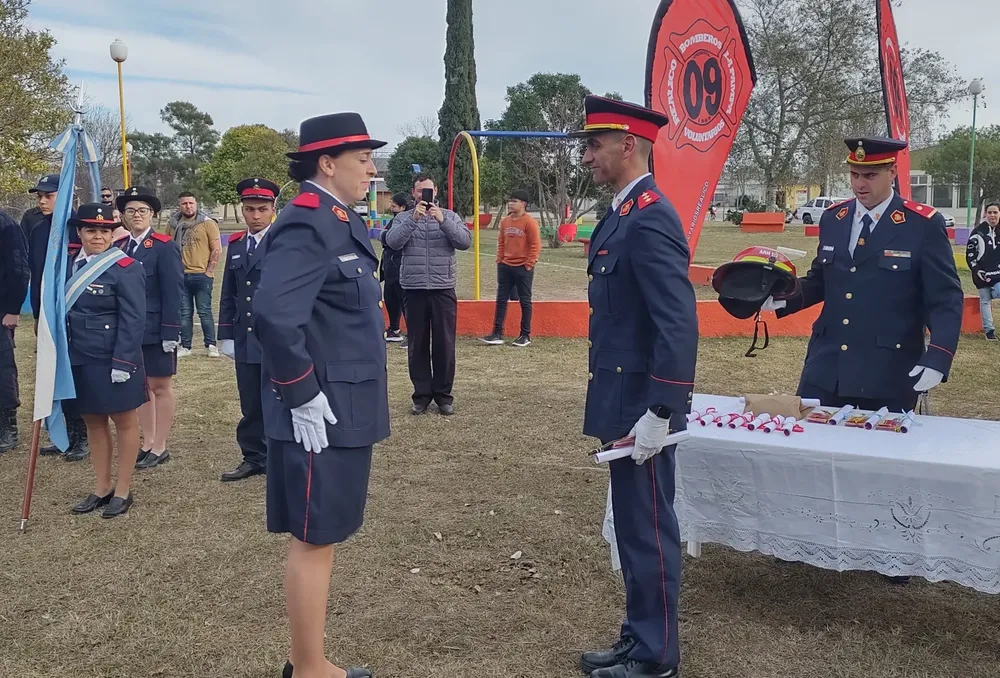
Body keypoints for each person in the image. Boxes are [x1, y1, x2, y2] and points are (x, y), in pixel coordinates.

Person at [254, 112, 389, 678]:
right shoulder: (309, 222)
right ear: (327, 164)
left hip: (341, 402)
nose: (372, 170)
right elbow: (273, 315)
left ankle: (310, 662)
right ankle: (309, 669)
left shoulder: (335, 218)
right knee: (315, 537)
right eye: (364, 159)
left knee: (324, 534)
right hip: (321, 409)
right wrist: (301, 393)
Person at [573, 95, 697, 678]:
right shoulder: (622, 212)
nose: (587, 156)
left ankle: (656, 654)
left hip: (644, 403)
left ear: (629, 145)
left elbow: (677, 321)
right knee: (631, 524)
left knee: (648, 528)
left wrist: (662, 409)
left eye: (595, 144)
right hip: (620, 395)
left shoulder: (651, 215)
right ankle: (639, 633)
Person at [765, 137, 964, 414]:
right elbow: (822, 279)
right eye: (854, 174)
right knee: (813, 437)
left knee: (881, 441)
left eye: (870, 176)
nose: (860, 184)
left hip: (888, 369)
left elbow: (944, 298)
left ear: (892, 172)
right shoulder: (834, 218)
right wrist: (783, 296)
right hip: (827, 365)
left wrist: (939, 356)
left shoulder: (921, 225)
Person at [64, 203, 147, 518]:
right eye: (91, 230)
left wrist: (123, 362)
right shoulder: (68, 265)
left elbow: (133, 320)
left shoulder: (126, 267)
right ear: (80, 232)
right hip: (80, 357)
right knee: (93, 421)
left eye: (104, 230)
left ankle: (123, 490)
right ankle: (101, 487)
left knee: (124, 421)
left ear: (113, 234)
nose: (98, 236)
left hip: (113, 358)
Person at [385, 175, 472, 416]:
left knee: (445, 344)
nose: (425, 195)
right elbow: (392, 242)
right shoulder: (403, 218)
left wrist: (442, 221)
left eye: (429, 190)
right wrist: (413, 220)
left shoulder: (450, 216)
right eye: (420, 190)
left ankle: (444, 396)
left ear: (436, 192)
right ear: (414, 193)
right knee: (417, 344)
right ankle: (421, 395)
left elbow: (465, 242)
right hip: (413, 289)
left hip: (443, 287)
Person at [113, 186, 184, 471]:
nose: (137, 215)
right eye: (131, 211)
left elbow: (173, 292)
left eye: (142, 210)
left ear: (152, 214)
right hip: (130, 330)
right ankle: (148, 441)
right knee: (141, 388)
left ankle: (161, 445)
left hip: (156, 328)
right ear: (123, 216)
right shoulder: (120, 247)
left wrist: (171, 331)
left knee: (160, 387)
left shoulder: (164, 246)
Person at [217, 177, 280, 482]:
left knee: (280, 397)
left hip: (277, 336)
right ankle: (254, 456)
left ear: (273, 209)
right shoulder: (237, 244)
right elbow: (229, 292)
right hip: (245, 336)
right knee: (251, 401)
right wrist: (226, 335)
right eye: (250, 209)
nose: (256, 215)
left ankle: (281, 456)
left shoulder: (284, 242)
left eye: (262, 209)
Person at [25, 174, 89, 461]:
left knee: (75, 374)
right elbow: (38, 276)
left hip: (76, 313)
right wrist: (38, 315)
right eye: (39, 196)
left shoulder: (80, 228)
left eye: (48, 196)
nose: (42, 201)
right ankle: (65, 432)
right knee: (53, 373)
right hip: (49, 313)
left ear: (63, 196)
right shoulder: (39, 229)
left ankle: (82, 434)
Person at [480, 188, 540, 347]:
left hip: (523, 267)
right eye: (510, 201)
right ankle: (497, 333)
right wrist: (500, 260)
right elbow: (501, 242)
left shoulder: (530, 223)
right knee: (501, 300)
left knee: (525, 300)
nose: (510, 204)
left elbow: (535, 245)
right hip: (505, 266)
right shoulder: (505, 221)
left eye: (514, 201)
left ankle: (525, 335)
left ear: (523, 204)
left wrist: (528, 264)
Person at [165, 192, 221, 358]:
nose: (188, 206)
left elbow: (216, 249)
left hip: (201, 275)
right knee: (184, 313)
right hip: (180, 275)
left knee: (204, 312)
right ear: (179, 205)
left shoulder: (207, 223)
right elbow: (167, 248)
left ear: (196, 204)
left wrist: (209, 271)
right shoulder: (173, 224)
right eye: (184, 203)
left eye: (191, 203)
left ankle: (211, 345)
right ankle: (186, 345)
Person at [0, 208, 29, 452]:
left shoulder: (6, 225)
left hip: (1, 309)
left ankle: (7, 426)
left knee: (2, 368)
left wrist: (13, 308)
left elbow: (19, 268)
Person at [966, 202, 1000, 341]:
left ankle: (993, 292)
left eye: (995, 212)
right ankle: (989, 331)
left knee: (996, 292)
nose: (992, 215)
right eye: (989, 212)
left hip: (998, 274)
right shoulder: (977, 232)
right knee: (985, 301)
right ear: (985, 214)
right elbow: (970, 254)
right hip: (982, 274)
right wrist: (976, 269)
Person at [378, 192, 409, 345]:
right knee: (390, 299)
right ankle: (394, 329)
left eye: (394, 206)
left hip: (400, 266)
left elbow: (390, 238)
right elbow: (384, 236)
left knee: (405, 301)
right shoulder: (393, 221)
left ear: (403, 207)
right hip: (389, 266)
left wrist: (386, 236)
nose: (391, 208)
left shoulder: (406, 221)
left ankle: (413, 333)